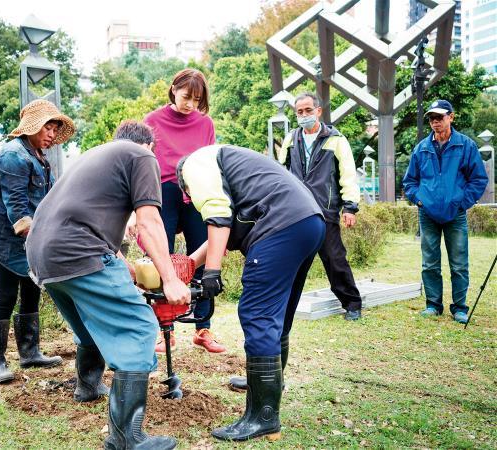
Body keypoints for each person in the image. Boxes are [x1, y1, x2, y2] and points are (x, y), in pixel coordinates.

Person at [26, 120, 190, 450]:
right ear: (149, 146)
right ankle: (127, 438)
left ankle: (88, 386)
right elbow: (149, 222)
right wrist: (170, 279)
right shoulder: (143, 157)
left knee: (90, 326)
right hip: (78, 250)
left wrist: (123, 266)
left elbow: (82, 215)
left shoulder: (94, 156)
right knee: (139, 327)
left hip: (41, 254)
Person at [177, 144, 325, 442]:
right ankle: (269, 387)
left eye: (190, 197)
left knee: (257, 314)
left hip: (280, 225)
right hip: (308, 222)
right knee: (276, 316)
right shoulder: (229, 162)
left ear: (185, 186)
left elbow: (217, 216)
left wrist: (212, 274)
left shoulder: (194, 164)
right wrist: (191, 263)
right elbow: (227, 225)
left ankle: (263, 417)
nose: (192, 201)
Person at [0, 99, 74, 384]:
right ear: (32, 125)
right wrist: (38, 237)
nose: (51, 134)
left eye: (55, 128)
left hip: (33, 239)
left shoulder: (39, 156)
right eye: (48, 127)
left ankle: (30, 352)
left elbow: (51, 200)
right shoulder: (12, 155)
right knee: (6, 296)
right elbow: (16, 206)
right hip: (7, 240)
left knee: (32, 291)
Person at [144, 68, 225, 354]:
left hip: (195, 189)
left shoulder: (205, 124)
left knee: (203, 255)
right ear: (174, 89)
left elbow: (210, 160)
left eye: (197, 99)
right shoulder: (152, 121)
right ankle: (163, 329)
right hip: (162, 191)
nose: (190, 103)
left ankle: (204, 328)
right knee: (157, 258)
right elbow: (143, 163)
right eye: (186, 96)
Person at [403, 99, 488, 324]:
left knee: (459, 263)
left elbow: (478, 179)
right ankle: (433, 305)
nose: (435, 122)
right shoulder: (421, 148)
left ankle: (460, 307)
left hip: (456, 214)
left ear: (451, 117)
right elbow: (410, 181)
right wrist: (419, 200)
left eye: (439, 117)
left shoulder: (466, 145)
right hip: (428, 214)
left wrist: (462, 203)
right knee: (429, 262)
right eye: (431, 118)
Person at [280, 92, 362, 321]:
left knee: (335, 259)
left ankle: (352, 304)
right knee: (290, 260)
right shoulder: (291, 139)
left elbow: (348, 175)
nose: (304, 115)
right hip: (296, 211)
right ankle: (284, 304)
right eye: (299, 112)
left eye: (308, 110)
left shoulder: (336, 139)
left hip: (325, 211)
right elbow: (280, 173)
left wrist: (350, 207)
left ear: (318, 111)